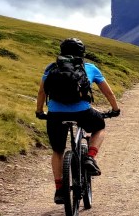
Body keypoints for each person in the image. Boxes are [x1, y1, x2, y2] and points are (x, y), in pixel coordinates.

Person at [35, 37, 120, 204]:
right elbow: (109, 93)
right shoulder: (90, 68)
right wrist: (115, 109)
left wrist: (39, 111)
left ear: (61, 51)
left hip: (55, 114)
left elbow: (41, 92)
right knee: (99, 126)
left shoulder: (51, 68)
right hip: (82, 112)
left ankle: (60, 190)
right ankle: (90, 157)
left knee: (58, 151)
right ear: (82, 53)